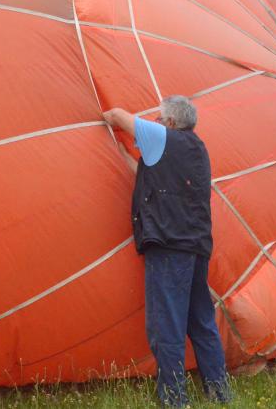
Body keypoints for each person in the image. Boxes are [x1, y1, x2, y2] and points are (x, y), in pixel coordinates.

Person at [102, 95, 232, 407]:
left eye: (160, 118)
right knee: (200, 321)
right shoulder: (198, 148)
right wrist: (120, 152)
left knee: (166, 326)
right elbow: (150, 175)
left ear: (170, 122)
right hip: (197, 246)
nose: (156, 122)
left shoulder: (162, 136)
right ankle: (220, 393)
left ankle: (174, 400)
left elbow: (117, 115)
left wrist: (93, 118)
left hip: (170, 247)